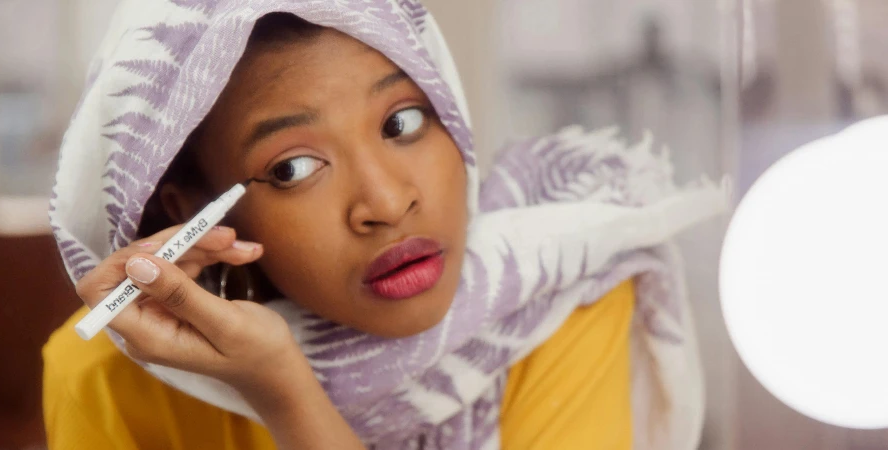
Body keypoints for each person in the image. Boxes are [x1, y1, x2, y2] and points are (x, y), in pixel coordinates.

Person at [43, 1, 725, 449]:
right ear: (191, 210)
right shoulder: (103, 378)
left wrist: (286, 396)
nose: (387, 202)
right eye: (292, 168)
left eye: (403, 122)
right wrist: (275, 384)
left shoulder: (564, 296)